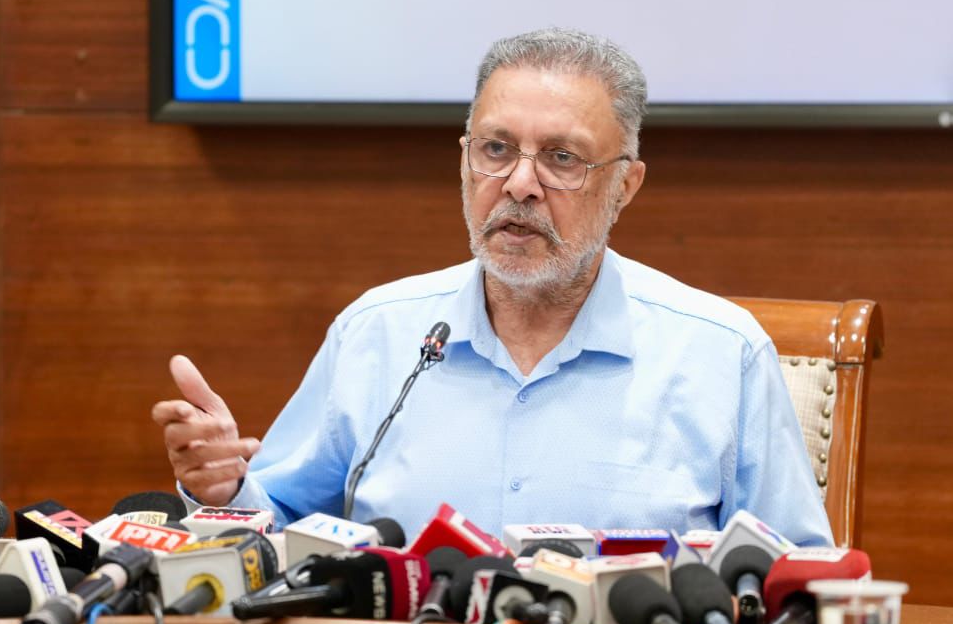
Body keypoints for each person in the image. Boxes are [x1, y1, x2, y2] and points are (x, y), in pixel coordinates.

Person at [152, 28, 833, 547]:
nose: (519, 184)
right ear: (464, 160)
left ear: (625, 186)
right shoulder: (378, 334)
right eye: (496, 149)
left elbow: (797, 580)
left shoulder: (720, 353)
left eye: (561, 158)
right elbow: (277, 528)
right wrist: (224, 491)